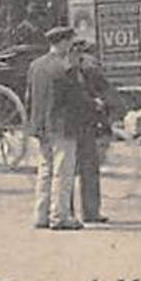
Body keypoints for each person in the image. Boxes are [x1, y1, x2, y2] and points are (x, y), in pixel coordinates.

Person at [26, 25, 86, 230]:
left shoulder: (35, 65)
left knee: (45, 170)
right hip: (62, 126)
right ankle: (60, 216)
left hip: (42, 126)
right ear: (62, 42)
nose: (71, 45)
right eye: (70, 41)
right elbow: (77, 98)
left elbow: (29, 97)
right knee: (63, 173)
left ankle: (41, 215)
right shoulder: (65, 68)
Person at [71, 38, 115, 224]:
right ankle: (90, 212)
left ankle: (70, 211)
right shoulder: (88, 69)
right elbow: (102, 93)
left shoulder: (74, 68)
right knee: (88, 168)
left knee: (70, 171)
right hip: (86, 122)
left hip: (78, 124)